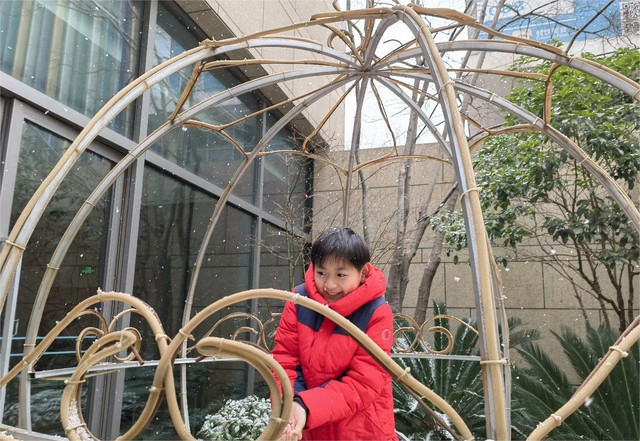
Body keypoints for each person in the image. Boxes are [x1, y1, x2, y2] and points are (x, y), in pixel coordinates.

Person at [272, 227, 397, 441]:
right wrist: (292, 404)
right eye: (321, 273)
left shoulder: (376, 312)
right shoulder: (299, 300)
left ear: (363, 272)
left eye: (340, 275)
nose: (329, 285)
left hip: (362, 430)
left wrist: (306, 406)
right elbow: (285, 360)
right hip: (308, 428)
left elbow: (364, 382)